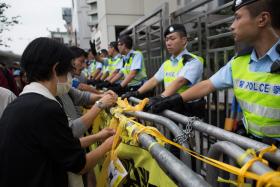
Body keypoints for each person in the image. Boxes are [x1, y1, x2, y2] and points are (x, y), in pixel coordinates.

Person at [149, 0, 280, 146]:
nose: (232, 26)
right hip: (253, 149)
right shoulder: (240, 61)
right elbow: (208, 85)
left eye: (237, 18)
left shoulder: (193, 60)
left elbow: (184, 81)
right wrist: (174, 99)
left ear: (262, 19)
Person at [0, 37, 117, 187]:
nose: (69, 78)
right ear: (55, 70)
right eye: (68, 72)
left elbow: (60, 144)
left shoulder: (18, 104)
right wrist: (109, 144)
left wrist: (99, 136)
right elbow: (80, 165)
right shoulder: (46, 109)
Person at [122, 24, 204, 117]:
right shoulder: (167, 64)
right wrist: (137, 92)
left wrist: (161, 97)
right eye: (167, 39)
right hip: (172, 107)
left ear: (184, 40)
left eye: (172, 39)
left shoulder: (193, 60)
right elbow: (154, 80)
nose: (168, 43)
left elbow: (180, 81)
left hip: (189, 111)